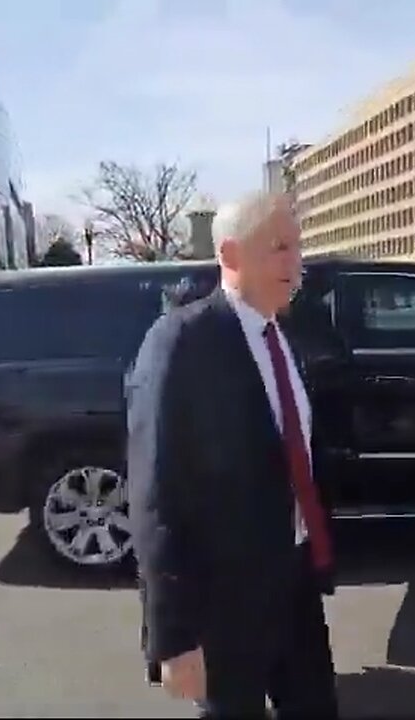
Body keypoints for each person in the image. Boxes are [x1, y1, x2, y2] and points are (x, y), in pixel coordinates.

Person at [125, 191, 339, 718]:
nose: (297, 264)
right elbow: (156, 496)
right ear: (231, 255)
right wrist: (173, 638)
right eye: (279, 248)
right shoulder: (181, 342)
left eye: (298, 247)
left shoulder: (282, 335)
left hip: (293, 581)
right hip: (224, 605)